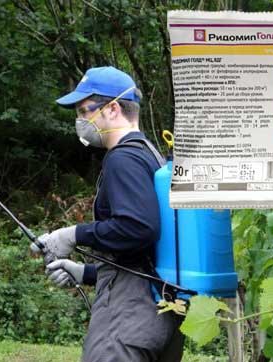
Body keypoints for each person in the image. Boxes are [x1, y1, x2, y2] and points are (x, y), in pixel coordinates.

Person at [31, 66, 184, 362]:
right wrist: (86, 273)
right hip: (161, 308)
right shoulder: (148, 153)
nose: (80, 121)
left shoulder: (123, 158)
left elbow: (139, 228)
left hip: (130, 314)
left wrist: (72, 234)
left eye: (84, 111)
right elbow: (145, 253)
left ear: (113, 109)